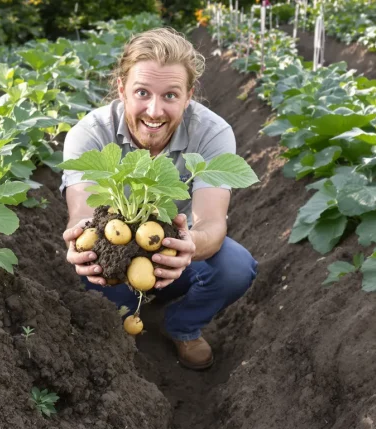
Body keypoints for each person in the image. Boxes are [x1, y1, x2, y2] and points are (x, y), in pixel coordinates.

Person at [60, 27, 258, 370]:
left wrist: (188, 245)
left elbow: (211, 223)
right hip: (117, 253)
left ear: (188, 95)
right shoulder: (90, 134)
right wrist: (81, 237)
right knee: (93, 272)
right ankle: (119, 332)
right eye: (142, 92)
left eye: (170, 95)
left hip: (176, 253)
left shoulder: (212, 133)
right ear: (121, 90)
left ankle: (183, 326)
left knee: (236, 267)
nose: (154, 111)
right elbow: (82, 211)